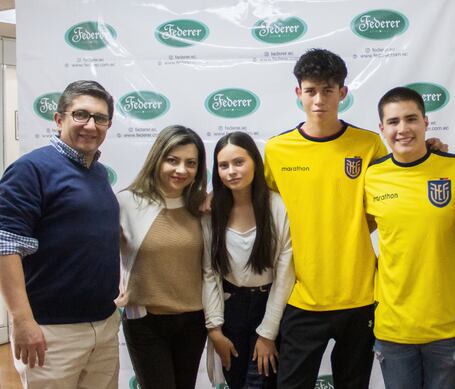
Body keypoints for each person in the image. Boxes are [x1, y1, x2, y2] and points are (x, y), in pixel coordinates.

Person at [262, 48, 387, 389]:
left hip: (360, 296)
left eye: (328, 90)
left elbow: (391, 198)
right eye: (311, 90)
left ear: (342, 93)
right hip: (301, 295)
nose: (319, 99)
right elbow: (258, 209)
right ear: (298, 92)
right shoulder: (277, 149)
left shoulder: (370, 145)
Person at [0, 80, 120, 388]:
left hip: (103, 326)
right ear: (59, 119)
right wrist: (22, 321)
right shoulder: (31, 169)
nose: (91, 125)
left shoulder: (97, 172)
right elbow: (5, 245)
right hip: (51, 333)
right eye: (81, 114)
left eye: (100, 118)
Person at [364, 87, 455, 389]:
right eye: (394, 122)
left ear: (425, 121)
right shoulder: (371, 178)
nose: (403, 129)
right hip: (393, 327)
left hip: (448, 327)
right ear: (382, 129)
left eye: (411, 119)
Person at [116, 125, 208, 388]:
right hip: (146, 322)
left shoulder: (201, 206)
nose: (181, 170)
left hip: (193, 321)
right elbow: (99, 254)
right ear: (157, 158)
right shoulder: (127, 202)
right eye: (173, 160)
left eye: (191, 163)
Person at [203, 131, 294, 389]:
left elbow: (285, 275)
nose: (231, 171)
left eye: (239, 162)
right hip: (230, 311)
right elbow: (209, 273)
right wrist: (215, 330)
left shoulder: (277, 206)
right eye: (224, 165)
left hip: (268, 308)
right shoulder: (211, 211)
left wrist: (267, 334)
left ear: (255, 161)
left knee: (260, 384)